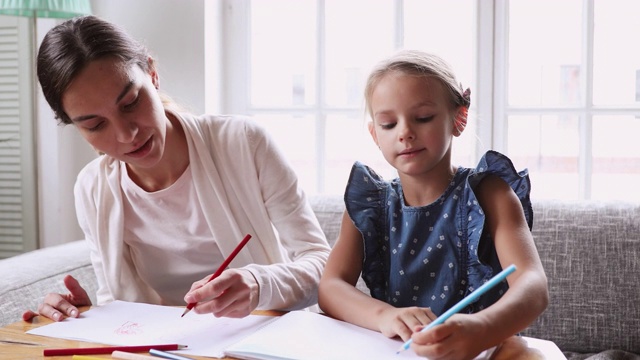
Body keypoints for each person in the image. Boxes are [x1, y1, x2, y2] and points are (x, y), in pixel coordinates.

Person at [22, 15, 331, 323]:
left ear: (152, 75)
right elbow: (116, 303)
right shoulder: (92, 189)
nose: (127, 134)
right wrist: (85, 314)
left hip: (258, 340)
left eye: (130, 103)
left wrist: (259, 285)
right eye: (95, 125)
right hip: (160, 349)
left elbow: (322, 265)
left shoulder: (243, 143)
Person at [318, 50, 549, 360]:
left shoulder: (490, 194)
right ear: (374, 134)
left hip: (489, 349)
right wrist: (383, 316)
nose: (405, 133)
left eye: (423, 118)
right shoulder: (370, 204)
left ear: (459, 118)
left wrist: (481, 328)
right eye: (388, 124)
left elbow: (533, 287)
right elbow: (330, 287)